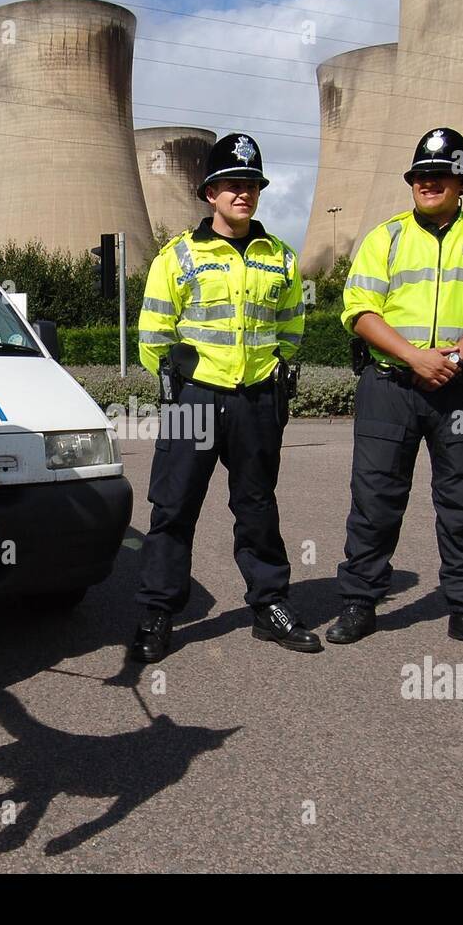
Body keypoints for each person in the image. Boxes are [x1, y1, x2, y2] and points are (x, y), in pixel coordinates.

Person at [326, 127, 463, 654]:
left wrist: (454, 358)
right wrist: (414, 356)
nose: (428, 183)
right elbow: (359, 311)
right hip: (390, 384)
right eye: (420, 175)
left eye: (440, 174)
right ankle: (359, 603)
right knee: (374, 498)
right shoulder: (385, 237)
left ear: (461, 182)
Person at [132, 133, 320, 662]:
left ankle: (270, 606)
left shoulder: (279, 257)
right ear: (210, 193)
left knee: (257, 507)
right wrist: (179, 382)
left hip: (256, 401)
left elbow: (291, 328)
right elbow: (153, 334)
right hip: (195, 400)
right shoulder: (178, 256)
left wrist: (274, 377)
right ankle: (158, 612)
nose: (244, 194)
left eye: (252, 185)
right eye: (233, 185)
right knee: (173, 508)